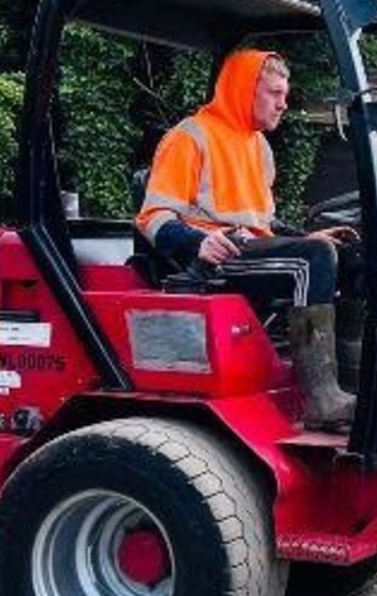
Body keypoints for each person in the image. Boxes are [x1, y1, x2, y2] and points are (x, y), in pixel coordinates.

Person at [136, 49, 357, 429]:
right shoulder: (190, 137)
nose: (283, 104)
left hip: (249, 250)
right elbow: (152, 218)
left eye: (284, 95)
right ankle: (320, 398)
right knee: (312, 259)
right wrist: (196, 242)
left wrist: (307, 237)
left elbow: (262, 221)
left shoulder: (259, 147)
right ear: (244, 90)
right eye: (275, 93)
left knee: (350, 254)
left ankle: (355, 380)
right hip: (212, 258)